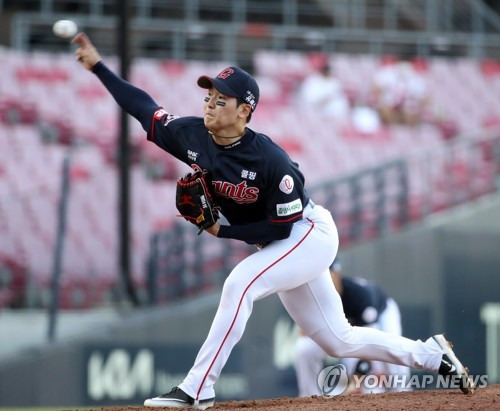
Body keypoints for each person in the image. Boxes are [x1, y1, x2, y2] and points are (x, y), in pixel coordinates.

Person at [73, 33, 473, 409]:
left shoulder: (270, 160)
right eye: (209, 95)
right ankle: (431, 355)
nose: (209, 103)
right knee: (337, 339)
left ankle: (197, 388)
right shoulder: (190, 135)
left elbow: (281, 229)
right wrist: (99, 67)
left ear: (244, 111)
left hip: (308, 234)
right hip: (279, 245)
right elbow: (142, 107)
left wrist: (221, 231)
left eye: (221, 99)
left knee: (240, 283)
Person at [295, 258, 410, 396]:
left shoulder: (359, 298)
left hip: (382, 313)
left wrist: (355, 381)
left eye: (328, 275)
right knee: (305, 348)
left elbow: (370, 344)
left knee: (391, 349)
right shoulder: (314, 298)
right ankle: (308, 397)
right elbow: (304, 334)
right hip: (351, 328)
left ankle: (404, 393)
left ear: (337, 274)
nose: (324, 282)